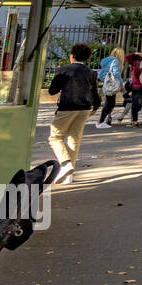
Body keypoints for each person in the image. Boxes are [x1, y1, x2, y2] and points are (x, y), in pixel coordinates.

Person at [48, 43, 100, 184]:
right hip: (85, 107)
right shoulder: (91, 72)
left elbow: (52, 90)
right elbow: (94, 91)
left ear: (72, 55)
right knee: (74, 138)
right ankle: (69, 175)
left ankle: (65, 164)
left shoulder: (64, 70)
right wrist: (96, 105)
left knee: (55, 136)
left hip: (67, 106)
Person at [94, 47, 125, 129]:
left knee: (109, 102)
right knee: (110, 103)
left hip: (105, 82)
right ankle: (100, 121)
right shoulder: (115, 61)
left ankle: (102, 120)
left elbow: (102, 72)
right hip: (111, 84)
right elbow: (115, 73)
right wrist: (121, 83)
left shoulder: (107, 60)